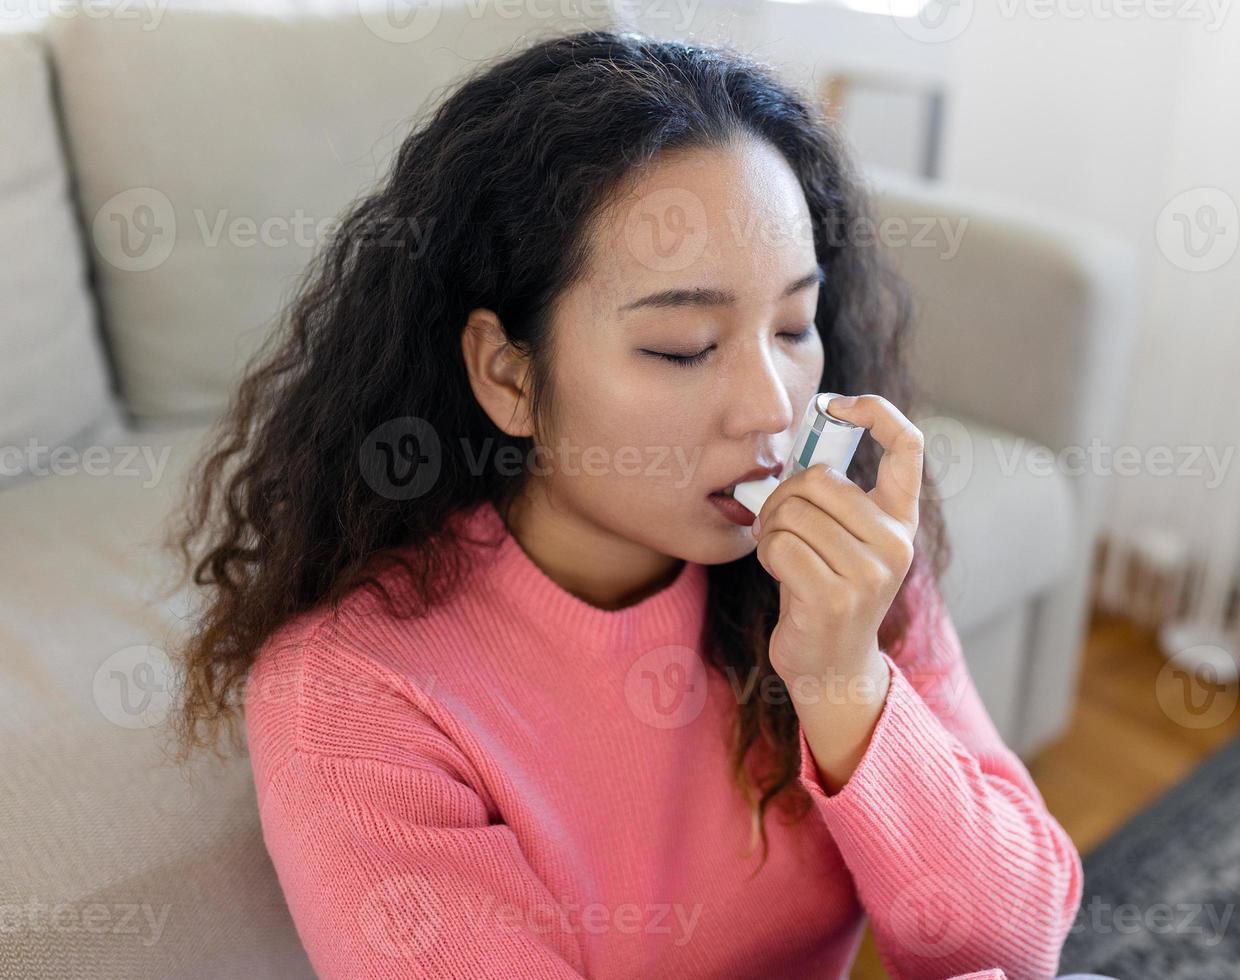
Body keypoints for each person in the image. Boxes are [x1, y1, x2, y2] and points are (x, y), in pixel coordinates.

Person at [167, 29, 1084, 980]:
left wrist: (845, 682)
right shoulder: (352, 696)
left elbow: (1017, 949)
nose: (775, 406)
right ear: (506, 374)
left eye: (794, 326)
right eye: (685, 345)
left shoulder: (837, 561)